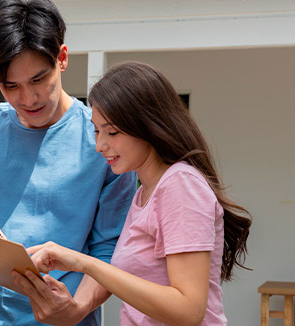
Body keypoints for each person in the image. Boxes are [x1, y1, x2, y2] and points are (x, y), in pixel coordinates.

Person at [0, 0, 137, 324]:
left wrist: (76, 310)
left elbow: (112, 249)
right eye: (10, 86)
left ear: (63, 59)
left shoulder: (104, 142)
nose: (27, 99)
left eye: (39, 80)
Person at [13, 61, 253, 325]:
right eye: (96, 130)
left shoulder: (180, 185)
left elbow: (189, 310)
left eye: (112, 132)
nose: (99, 145)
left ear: (148, 126)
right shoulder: (144, 192)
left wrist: (85, 264)